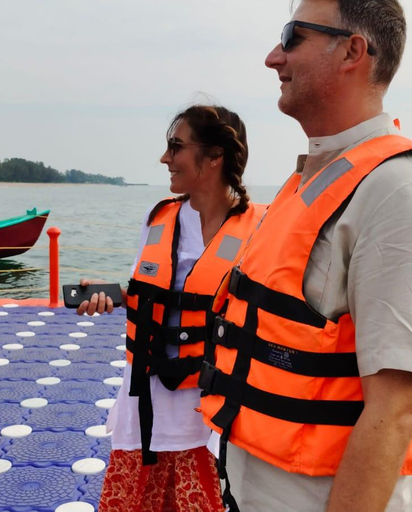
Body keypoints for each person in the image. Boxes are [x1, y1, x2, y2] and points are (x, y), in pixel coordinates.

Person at [198, 1, 412, 512]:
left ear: (352, 51)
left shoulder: (400, 187)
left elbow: (397, 407)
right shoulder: (310, 181)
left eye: (292, 36)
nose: (272, 57)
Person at [78, 105, 265, 512]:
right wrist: (109, 294)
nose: (165, 158)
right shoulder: (159, 217)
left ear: (214, 156)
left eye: (176, 147)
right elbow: (148, 292)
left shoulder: (260, 231)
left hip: (209, 416)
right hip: (143, 405)